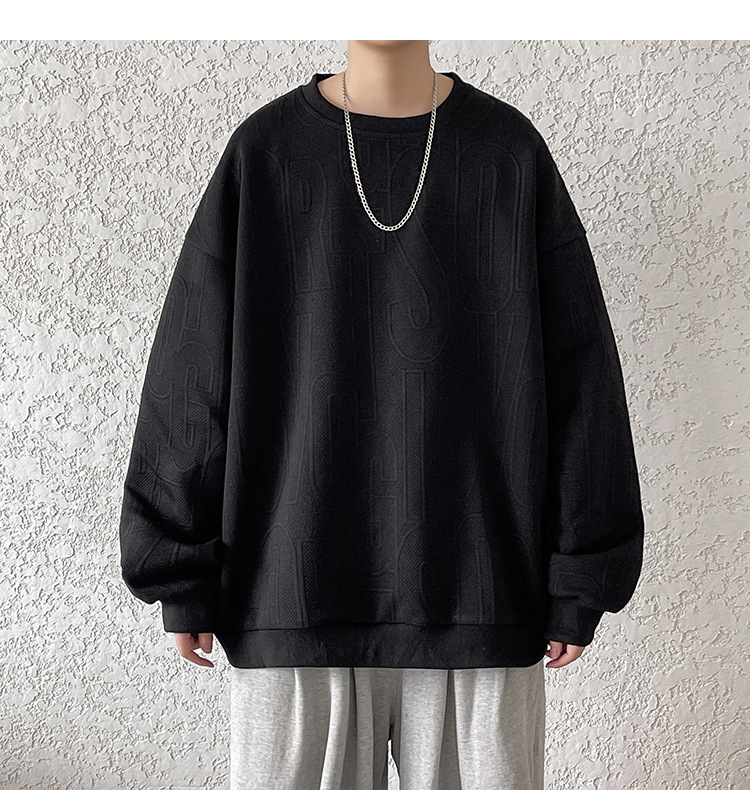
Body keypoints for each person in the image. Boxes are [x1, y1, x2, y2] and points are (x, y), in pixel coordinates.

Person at [118, 40, 645, 790]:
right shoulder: (265, 154)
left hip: (479, 598)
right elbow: (191, 370)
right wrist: (180, 571)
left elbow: (582, 380)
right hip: (292, 598)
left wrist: (581, 578)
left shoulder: (508, 153)